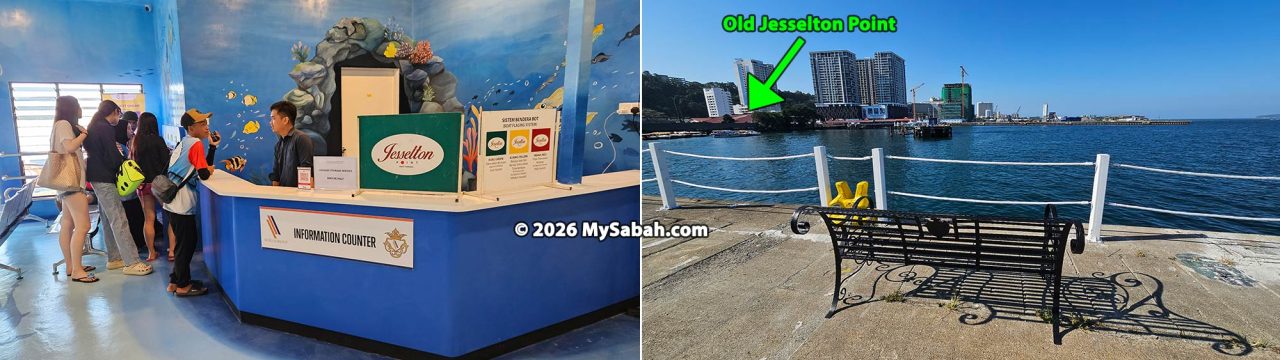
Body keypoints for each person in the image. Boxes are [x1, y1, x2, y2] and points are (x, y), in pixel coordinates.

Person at [83, 100, 152, 275]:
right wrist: (124, 164)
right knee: (119, 219)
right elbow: (112, 154)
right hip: (106, 177)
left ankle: (114, 258)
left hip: (96, 177)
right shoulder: (105, 127)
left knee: (108, 219)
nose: (118, 119)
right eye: (119, 115)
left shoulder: (93, 126)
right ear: (114, 111)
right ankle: (132, 262)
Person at [164, 109, 220, 296]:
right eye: (202, 124)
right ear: (191, 127)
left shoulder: (185, 142)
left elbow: (201, 168)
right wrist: (210, 169)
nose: (206, 127)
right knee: (187, 244)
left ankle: (175, 281)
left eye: (207, 123)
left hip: (171, 202)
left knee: (182, 244)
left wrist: (212, 147)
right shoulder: (195, 143)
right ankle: (183, 286)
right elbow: (204, 173)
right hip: (181, 203)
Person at [51, 96, 97, 283]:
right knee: (83, 225)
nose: (81, 109)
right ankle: (78, 271)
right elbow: (69, 146)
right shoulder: (63, 124)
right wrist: (84, 134)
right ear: (72, 108)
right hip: (71, 183)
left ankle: (71, 266)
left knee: (68, 224)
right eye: (78, 105)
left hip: (66, 183)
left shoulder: (59, 125)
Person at [130, 112, 170, 262]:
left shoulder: (136, 141)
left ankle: (151, 253)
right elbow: (166, 162)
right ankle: (172, 250)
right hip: (159, 184)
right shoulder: (158, 140)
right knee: (169, 217)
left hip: (142, 185)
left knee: (149, 219)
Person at [267, 101, 313, 187]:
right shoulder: (278, 144)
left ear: (285, 120)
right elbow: (276, 175)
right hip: (283, 196)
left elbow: (307, 172)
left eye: (273, 118)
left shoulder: (301, 139)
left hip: (297, 197)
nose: (270, 122)